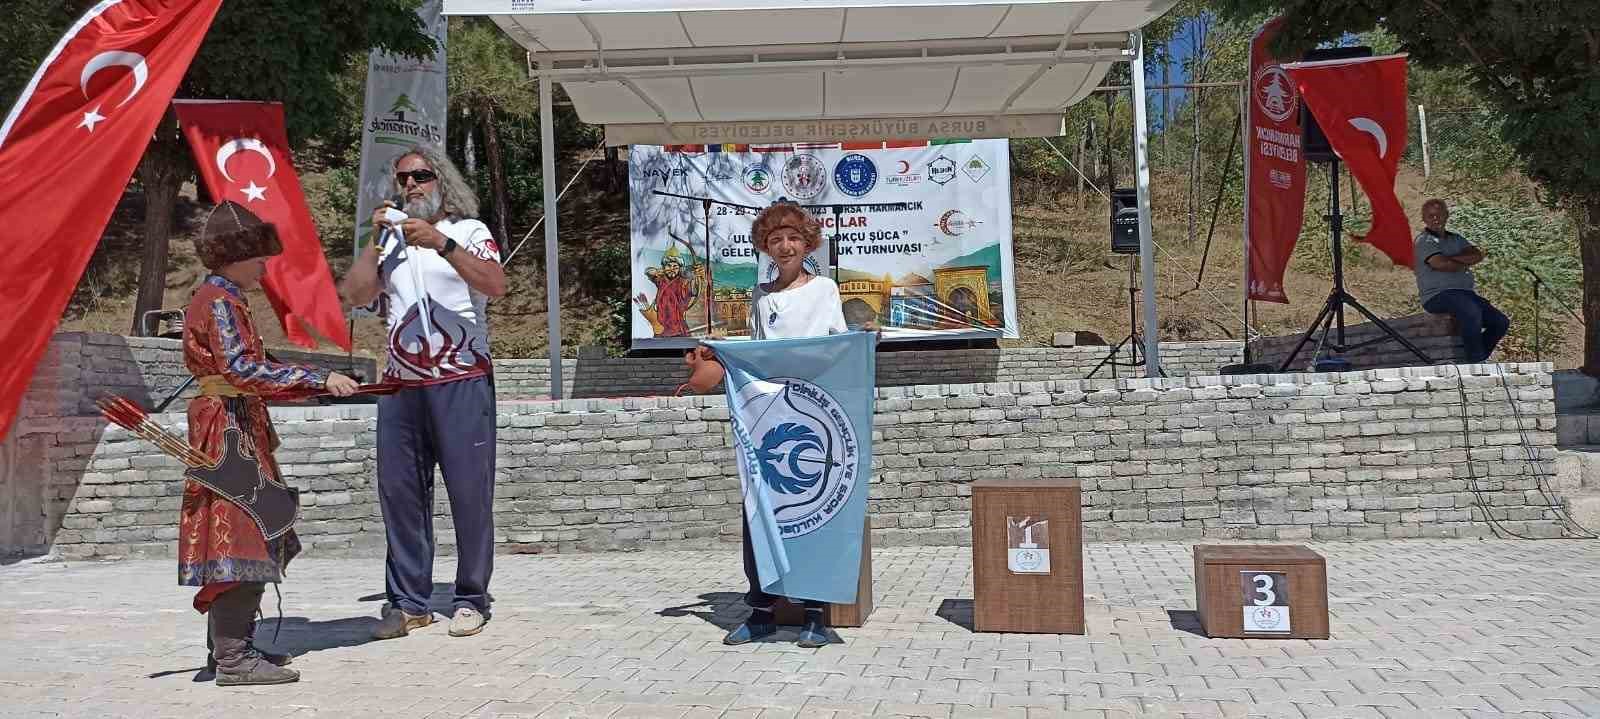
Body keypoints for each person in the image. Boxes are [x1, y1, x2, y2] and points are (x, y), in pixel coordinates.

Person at [181, 201, 360, 685]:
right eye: (258, 256)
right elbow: (239, 369)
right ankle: (234, 661)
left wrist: (312, 380)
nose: (265, 265)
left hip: (237, 423)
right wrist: (317, 377)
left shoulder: (226, 297)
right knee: (245, 532)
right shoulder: (219, 300)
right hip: (227, 433)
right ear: (236, 254)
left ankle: (230, 651)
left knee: (258, 526)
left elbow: (249, 364)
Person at [338, 144, 506, 640]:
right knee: (401, 493)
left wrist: (441, 244)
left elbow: (495, 284)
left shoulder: (469, 232)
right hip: (402, 384)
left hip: (461, 379)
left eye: (421, 177)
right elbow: (356, 294)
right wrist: (373, 239)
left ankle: (471, 596)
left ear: (442, 180)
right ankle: (408, 600)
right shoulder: (390, 243)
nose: (411, 186)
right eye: (403, 180)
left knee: (469, 493)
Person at [721, 201, 850, 649]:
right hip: (766, 415)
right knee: (758, 509)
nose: (785, 245)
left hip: (814, 411)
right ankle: (760, 611)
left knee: (814, 507)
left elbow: (838, 347)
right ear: (765, 248)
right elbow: (756, 356)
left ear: (807, 242)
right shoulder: (761, 295)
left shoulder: (826, 289)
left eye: (793, 237)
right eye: (775, 239)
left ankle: (816, 613)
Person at [1413, 199, 1510, 363]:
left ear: (1446, 216)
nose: (1435, 218)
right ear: (1424, 218)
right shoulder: (1424, 241)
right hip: (1437, 295)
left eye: (1439, 214)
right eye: (1430, 216)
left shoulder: (1457, 239)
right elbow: (1441, 264)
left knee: (1500, 321)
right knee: (1471, 311)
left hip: (1465, 293)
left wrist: (1451, 261)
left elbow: (1477, 255)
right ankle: (1476, 360)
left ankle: (1474, 358)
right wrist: (1463, 260)